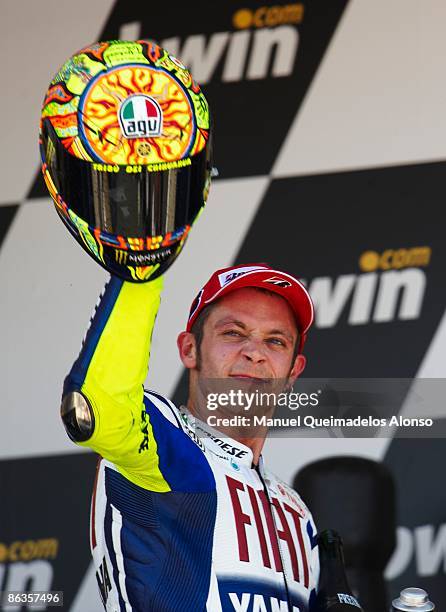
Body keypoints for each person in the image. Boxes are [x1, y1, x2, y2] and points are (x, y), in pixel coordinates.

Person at [61, 263, 320, 612]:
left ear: (293, 372)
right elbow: (99, 405)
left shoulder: (298, 512)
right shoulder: (169, 443)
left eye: (275, 341)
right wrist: (137, 273)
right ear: (189, 349)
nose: (255, 352)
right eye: (233, 333)